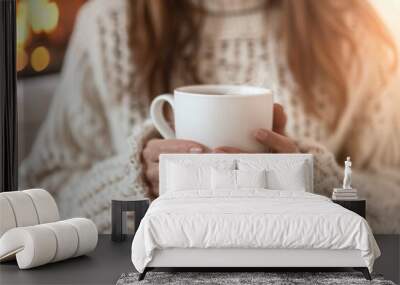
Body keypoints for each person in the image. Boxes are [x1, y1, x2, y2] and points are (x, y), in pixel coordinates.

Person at [20, 0, 400, 233]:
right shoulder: (107, 23)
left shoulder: (351, 25)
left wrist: (312, 184)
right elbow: (41, 195)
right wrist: (132, 185)